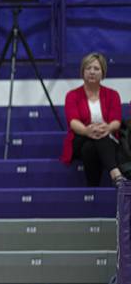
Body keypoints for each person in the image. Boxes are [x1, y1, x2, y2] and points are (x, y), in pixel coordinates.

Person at [60, 52, 124, 186]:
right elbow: (73, 121)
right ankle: (116, 174)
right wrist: (86, 130)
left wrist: (108, 128)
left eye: (96, 69)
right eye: (88, 68)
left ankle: (92, 188)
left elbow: (116, 121)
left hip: (106, 139)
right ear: (83, 72)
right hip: (80, 138)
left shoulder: (113, 95)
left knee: (90, 147)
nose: (92, 72)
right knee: (94, 138)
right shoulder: (72, 95)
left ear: (103, 73)